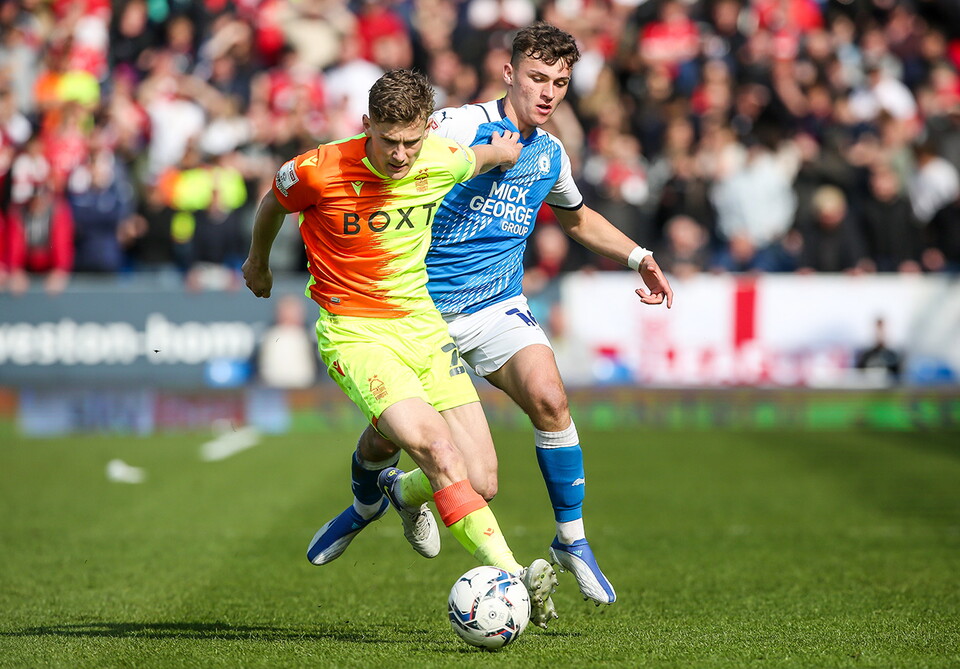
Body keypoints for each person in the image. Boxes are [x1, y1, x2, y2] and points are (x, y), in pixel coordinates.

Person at [309, 24, 674, 619]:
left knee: (551, 398)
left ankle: (571, 538)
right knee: (402, 440)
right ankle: (375, 498)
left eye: (560, 82)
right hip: (419, 311)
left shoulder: (551, 153)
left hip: (497, 307)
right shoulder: (452, 125)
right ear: (509, 73)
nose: (549, 92)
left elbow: (576, 220)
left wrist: (639, 257)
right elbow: (382, 162)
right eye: (537, 77)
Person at [240, 69, 559, 626]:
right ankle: (512, 579)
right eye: (389, 141)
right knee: (438, 449)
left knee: (480, 481)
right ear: (367, 126)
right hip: (356, 333)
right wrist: (257, 262)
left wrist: (504, 149)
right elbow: (272, 203)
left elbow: (480, 157)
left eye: (412, 141)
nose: (402, 155)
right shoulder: (319, 169)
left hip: (423, 328)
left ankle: (389, 490)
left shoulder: (442, 157)